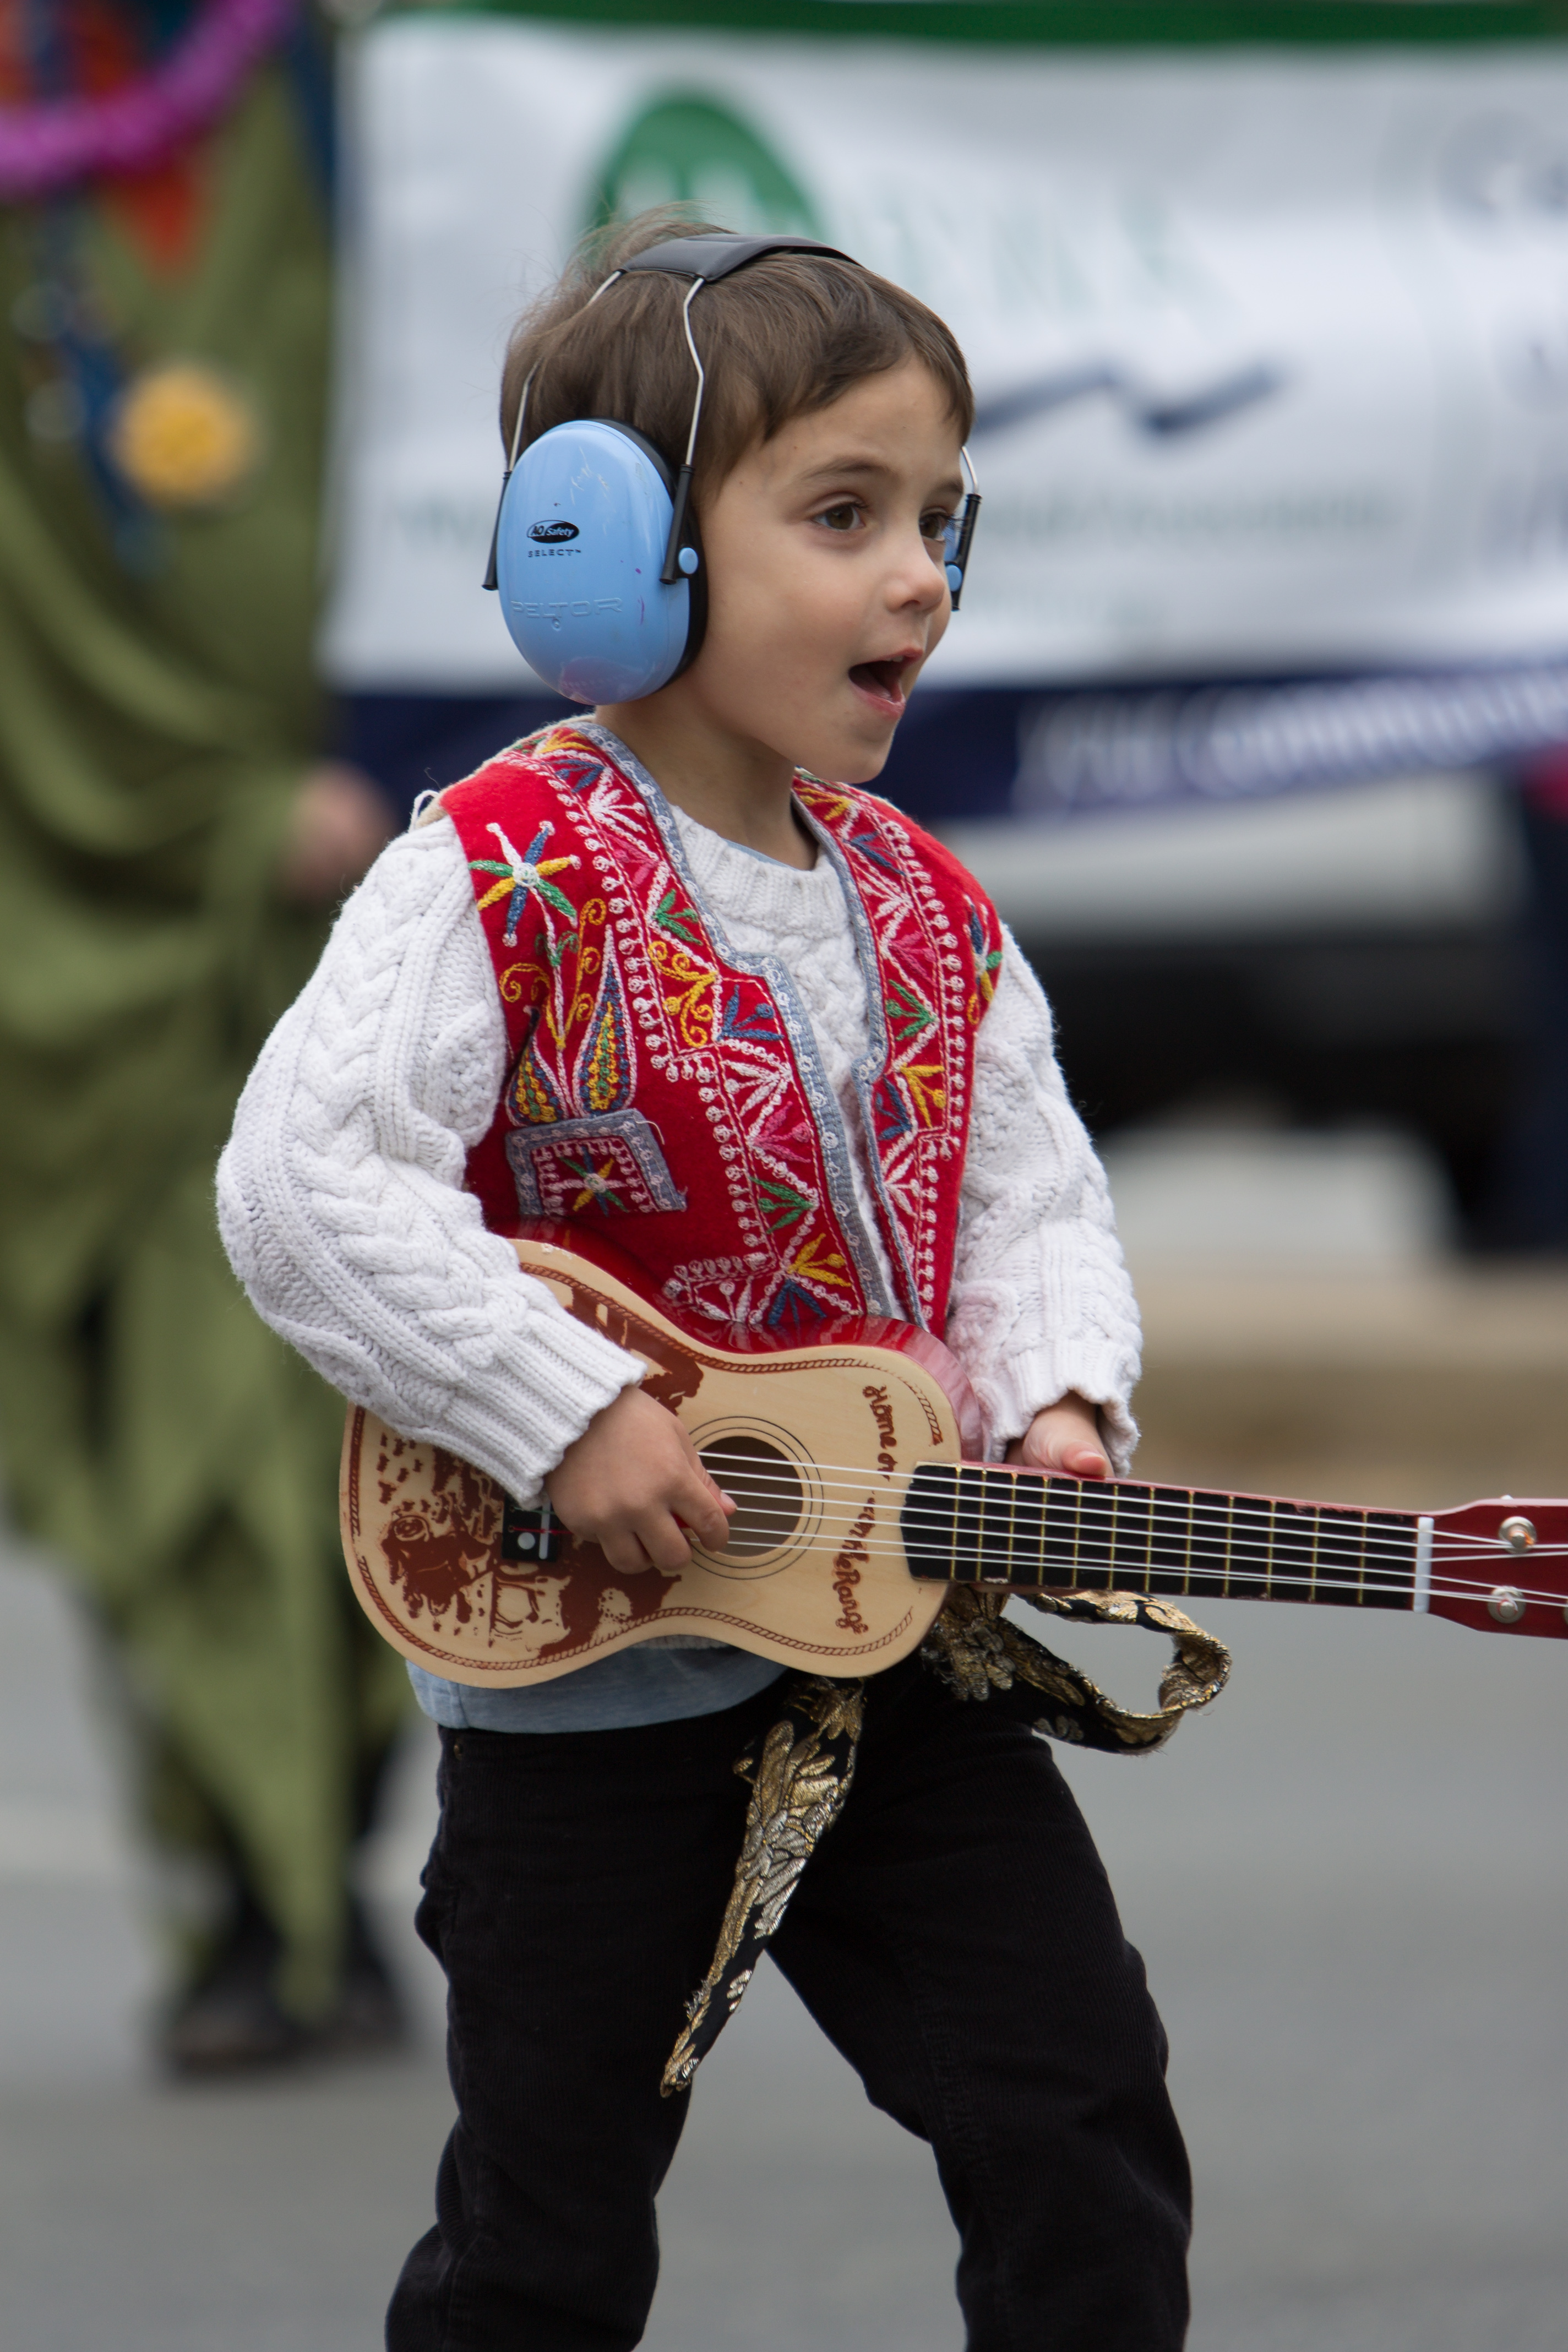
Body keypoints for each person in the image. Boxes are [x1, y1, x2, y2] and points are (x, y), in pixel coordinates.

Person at [219, 213, 1190, 2350]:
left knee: (1081, 2129)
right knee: (547, 2243)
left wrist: (1056, 1403)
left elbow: (1030, 1198)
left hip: (901, 1652)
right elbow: (304, 1184)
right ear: (614, 553)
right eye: (844, 516)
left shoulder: (929, 906)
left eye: (937, 518)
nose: (918, 577)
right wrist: (562, 1408)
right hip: (593, 1691)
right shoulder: (493, 870)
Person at [0, 0, 411, 2071]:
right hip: (94, 941)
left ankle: (320, 1864)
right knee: (189, 1436)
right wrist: (219, 807)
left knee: (389, 1417)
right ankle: (260, 1896)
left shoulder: (363, 105)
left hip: (384, 916)